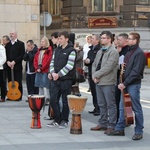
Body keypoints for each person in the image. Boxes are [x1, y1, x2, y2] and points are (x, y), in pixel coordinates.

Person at [107, 32, 146, 141]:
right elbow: (126, 67)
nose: (127, 40)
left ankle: (139, 131)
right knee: (122, 107)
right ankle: (120, 128)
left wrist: (125, 83)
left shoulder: (139, 53)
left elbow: (136, 72)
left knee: (136, 108)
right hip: (124, 83)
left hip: (132, 84)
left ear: (135, 40)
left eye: (129, 38)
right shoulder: (129, 51)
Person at [90, 31, 119, 134]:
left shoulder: (113, 52)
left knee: (110, 104)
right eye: (101, 38)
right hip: (98, 81)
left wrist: (97, 75)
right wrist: (94, 75)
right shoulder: (100, 51)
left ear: (109, 39)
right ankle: (103, 123)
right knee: (101, 104)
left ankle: (111, 125)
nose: (101, 39)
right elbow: (94, 64)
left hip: (108, 81)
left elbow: (108, 67)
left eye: (103, 38)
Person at [47, 31, 76, 129]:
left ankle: (64, 120)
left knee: (64, 101)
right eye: (58, 38)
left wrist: (59, 74)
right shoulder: (57, 50)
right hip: (55, 79)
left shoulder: (71, 50)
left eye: (61, 38)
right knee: (53, 100)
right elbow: (52, 62)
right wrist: (51, 73)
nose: (59, 40)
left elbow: (69, 66)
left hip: (66, 80)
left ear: (66, 39)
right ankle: (57, 119)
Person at [5, 30, 25, 101]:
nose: (11, 35)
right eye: (10, 34)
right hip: (9, 66)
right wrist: (7, 61)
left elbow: (22, 55)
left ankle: (19, 95)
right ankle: (11, 95)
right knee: (10, 81)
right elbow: (6, 54)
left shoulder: (21, 44)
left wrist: (14, 62)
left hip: (17, 66)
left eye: (12, 34)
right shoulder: (8, 45)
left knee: (18, 81)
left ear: (16, 35)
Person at [84, 34, 101, 116]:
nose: (91, 40)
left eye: (93, 38)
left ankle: (99, 108)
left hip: (96, 73)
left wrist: (90, 61)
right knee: (93, 91)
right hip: (90, 72)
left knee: (97, 92)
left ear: (97, 40)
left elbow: (97, 61)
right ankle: (95, 107)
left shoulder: (99, 49)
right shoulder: (91, 49)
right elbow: (89, 59)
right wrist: (86, 61)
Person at [114, 33, 129, 121]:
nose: (117, 41)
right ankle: (118, 118)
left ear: (125, 40)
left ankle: (122, 119)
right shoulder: (119, 50)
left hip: (124, 78)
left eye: (119, 40)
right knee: (117, 99)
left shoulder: (127, 50)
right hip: (117, 77)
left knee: (122, 101)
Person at [34, 36, 53, 103]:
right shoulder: (39, 50)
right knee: (39, 84)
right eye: (41, 41)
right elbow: (35, 59)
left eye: (43, 41)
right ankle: (41, 98)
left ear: (46, 42)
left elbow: (48, 61)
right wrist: (37, 68)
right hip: (38, 69)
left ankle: (47, 98)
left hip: (45, 70)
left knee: (45, 84)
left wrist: (42, 68)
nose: (41, 43)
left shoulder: (49, 50)